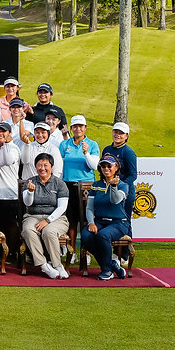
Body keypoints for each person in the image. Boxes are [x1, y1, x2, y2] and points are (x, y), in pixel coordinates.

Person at [81, 155, 130, 280]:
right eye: (103, 166)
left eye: (109, 166)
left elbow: (115, 201)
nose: (106, 168)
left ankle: (107, 270)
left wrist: (113, 187)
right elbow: (90, 208)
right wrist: (91, 223)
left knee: (103, 235)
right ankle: (111, 264)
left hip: (118, 223)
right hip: (99, 221)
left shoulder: (123, 185)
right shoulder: (96, 185)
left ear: (116, 167)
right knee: (86, 236)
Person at [21, 153, 70, 279]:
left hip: (56, 218)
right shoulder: (30, 181)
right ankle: (43, 265)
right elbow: (27, 203)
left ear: (51, 167)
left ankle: (57, 265)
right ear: (35, 167)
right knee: (27, 230)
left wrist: (48, 220)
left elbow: (62, 207)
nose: (42, 168)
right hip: (33, 215)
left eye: (45, 165)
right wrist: (30, 192)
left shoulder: (59, 184)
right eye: (39, 165)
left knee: (48, 231)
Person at [59, 115, 98, 263]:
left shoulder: (92, 144)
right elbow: (60, 164)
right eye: (75, 126)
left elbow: (94, 166)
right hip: (68, 185)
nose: (78, 129)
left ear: (85, 128)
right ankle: (72, 251)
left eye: (81, 126)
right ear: (71, 129)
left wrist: (86, 153)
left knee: (86, 220)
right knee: (71, 220)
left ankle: (86, 252)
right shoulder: (64, 145)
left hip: (86, 186)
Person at [101, 122, 137, 232]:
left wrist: (120, 186)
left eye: (121, 133)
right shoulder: (107, 149)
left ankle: (126, 248)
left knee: (125, 220)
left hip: (125, 192)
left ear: (126, 136)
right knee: (112, 220)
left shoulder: (128, 152)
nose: (117, 135)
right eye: (115, 132)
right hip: (110, 190)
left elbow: (133, 175)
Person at [0, 121, 22, 258]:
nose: (0, 134)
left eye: (3, 131)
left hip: (10, 192)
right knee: (1, 224)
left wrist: (5, 144)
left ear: (10, 133)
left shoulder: (13, 148)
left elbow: (8, 160)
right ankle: (3, 251)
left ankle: (11, 251)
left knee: (11, 223)